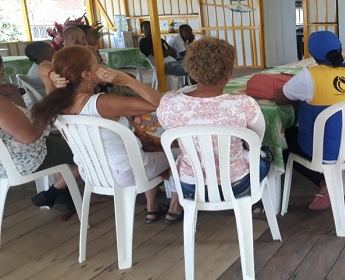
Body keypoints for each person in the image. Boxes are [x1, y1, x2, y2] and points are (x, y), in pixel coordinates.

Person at [31, 45, 174, 224]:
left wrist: (52, 74)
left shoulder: (56, 99)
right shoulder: (102, 103)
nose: (102, 67)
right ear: (86, 74)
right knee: (176, 154)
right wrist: (126, 80)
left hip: (91, 174)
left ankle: (153, 207)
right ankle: (175, 207)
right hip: (125, 173)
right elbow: (162, 104)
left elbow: (43, 67)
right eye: (97, 64)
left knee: (143, 149)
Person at [157, 37, 268, 224]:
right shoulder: (244, 104)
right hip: (237, 185)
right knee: (266, 155)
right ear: (229, 74)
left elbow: (171, 132)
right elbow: (256, 141)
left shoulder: (170, 103)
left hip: (189, 187)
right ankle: (256, 204)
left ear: (191, 70)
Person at [274, 31, 345, 210]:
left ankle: (325, 181)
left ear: (312, 55)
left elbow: (279, 99)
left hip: (324, 150)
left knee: (283, 139)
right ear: (340, 48)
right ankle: (329, 181)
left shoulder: (309, 77)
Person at [0, 95, 78, 212]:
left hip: (6, 163)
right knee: (87, 151)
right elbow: (30, 136)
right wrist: (43, 115)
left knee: (61, 141)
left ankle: (62, 196)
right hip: (25, 159)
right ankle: (52, 193)